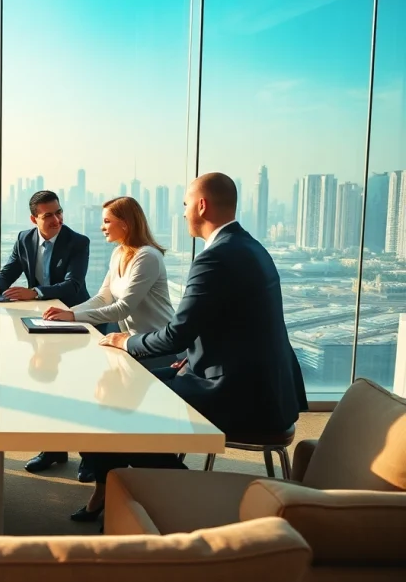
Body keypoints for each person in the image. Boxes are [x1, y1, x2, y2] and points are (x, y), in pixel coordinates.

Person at [75, 172, 308, 523]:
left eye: (185, 205)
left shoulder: (216, 257)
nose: (183, 213)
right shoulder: (250, 247)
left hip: (239, 394)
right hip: (263, 387)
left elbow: (178, 333)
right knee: (124, 393)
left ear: (202, 205)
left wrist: (127, 340)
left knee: (117, 405)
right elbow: (225, 327)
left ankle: (185, 490)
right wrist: (186, 361)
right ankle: (115, 483)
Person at [37, 196, 176, 481]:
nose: (102, 228)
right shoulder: (118, 254)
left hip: (156, 347)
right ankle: (102, 470)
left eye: (107, 221)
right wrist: (65, 313)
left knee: (109, 407)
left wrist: (72, 318)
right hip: (130, 344)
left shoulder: (148, 257)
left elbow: (124, 307)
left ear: (125, 223)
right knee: (93, 397)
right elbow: (103, 297)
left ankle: (104, 469)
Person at [0, 189, 91, 473]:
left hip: (71, 318)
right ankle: (54, 450)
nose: (56, 220)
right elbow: (10, 271)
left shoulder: (78, 241)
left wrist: (35, 292)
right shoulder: (24, 238)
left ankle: (91, 458)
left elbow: (73, 285)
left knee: (75, 388)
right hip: (39, 320)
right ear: (34, 219)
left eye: (59, 212)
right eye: (48, 215)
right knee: (46, 384)